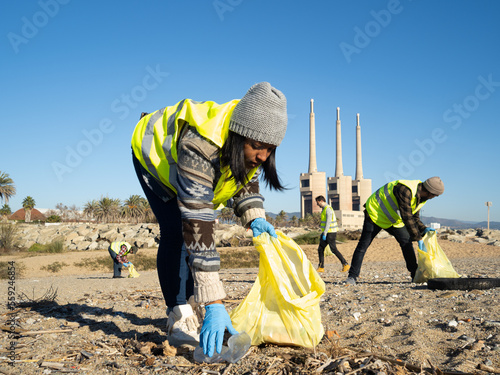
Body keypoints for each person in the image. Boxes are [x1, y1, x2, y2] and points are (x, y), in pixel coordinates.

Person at [130, 82, 287, 357]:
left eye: (270, 149)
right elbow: (197, 221)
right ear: (241, 137)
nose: (263, 156)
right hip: (154, 157)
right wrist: (214, 300)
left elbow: (242, 178)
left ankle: (194, 300)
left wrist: (254, 217)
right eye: (257, 147)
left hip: (189, 163)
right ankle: (178, 313)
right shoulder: (200, 144)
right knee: (176, 230)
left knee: (188, 238)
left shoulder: (246, 141)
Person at [345, 177, 444, 285]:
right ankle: (352, 277)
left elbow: (414, 217)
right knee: (363, 245)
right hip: (375, 214)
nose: (434, 197)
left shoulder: (421, 198)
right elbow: (407, 216)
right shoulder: (405, 190)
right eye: (435, 195)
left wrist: (423, 228)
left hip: (393, 219)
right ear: (429, 192)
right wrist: (418, 237)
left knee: (406, 243)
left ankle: (415, 275)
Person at [315, 195, 349, 273]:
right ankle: (321, 267)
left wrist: (325, 233)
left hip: (330, 233)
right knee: (320, 249)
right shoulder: (324, 209)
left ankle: (345, 264)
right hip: (327, 232)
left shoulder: (328, 209)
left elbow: (328, 222)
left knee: (333, 249)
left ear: (321, 201)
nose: (317, 205)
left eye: (317, 203)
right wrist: (323, 233)